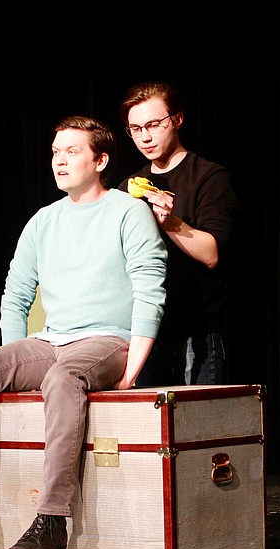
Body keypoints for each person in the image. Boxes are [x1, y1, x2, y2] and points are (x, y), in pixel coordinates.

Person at [0, 116, 167, 549]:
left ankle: (52, 519)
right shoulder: (43, 220)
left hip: (108, 339)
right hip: (51, 340)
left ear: (100, 160)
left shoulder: (128, 211)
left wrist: (132, 369)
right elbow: (16, 294)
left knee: (65, 376)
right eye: (55, 152)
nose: (60, 161)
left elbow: (150, 285)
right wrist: (12, 361)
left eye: (73, 151)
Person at [118, 81, 240, 386]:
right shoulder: (128, 188)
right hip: (146, 332)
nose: (144, 137)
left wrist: (170, 222)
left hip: (197, 331)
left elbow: (212, 254)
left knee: (196, 427)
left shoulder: (208, 177)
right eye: (135, 128)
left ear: (177, 120)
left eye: (154, 125)